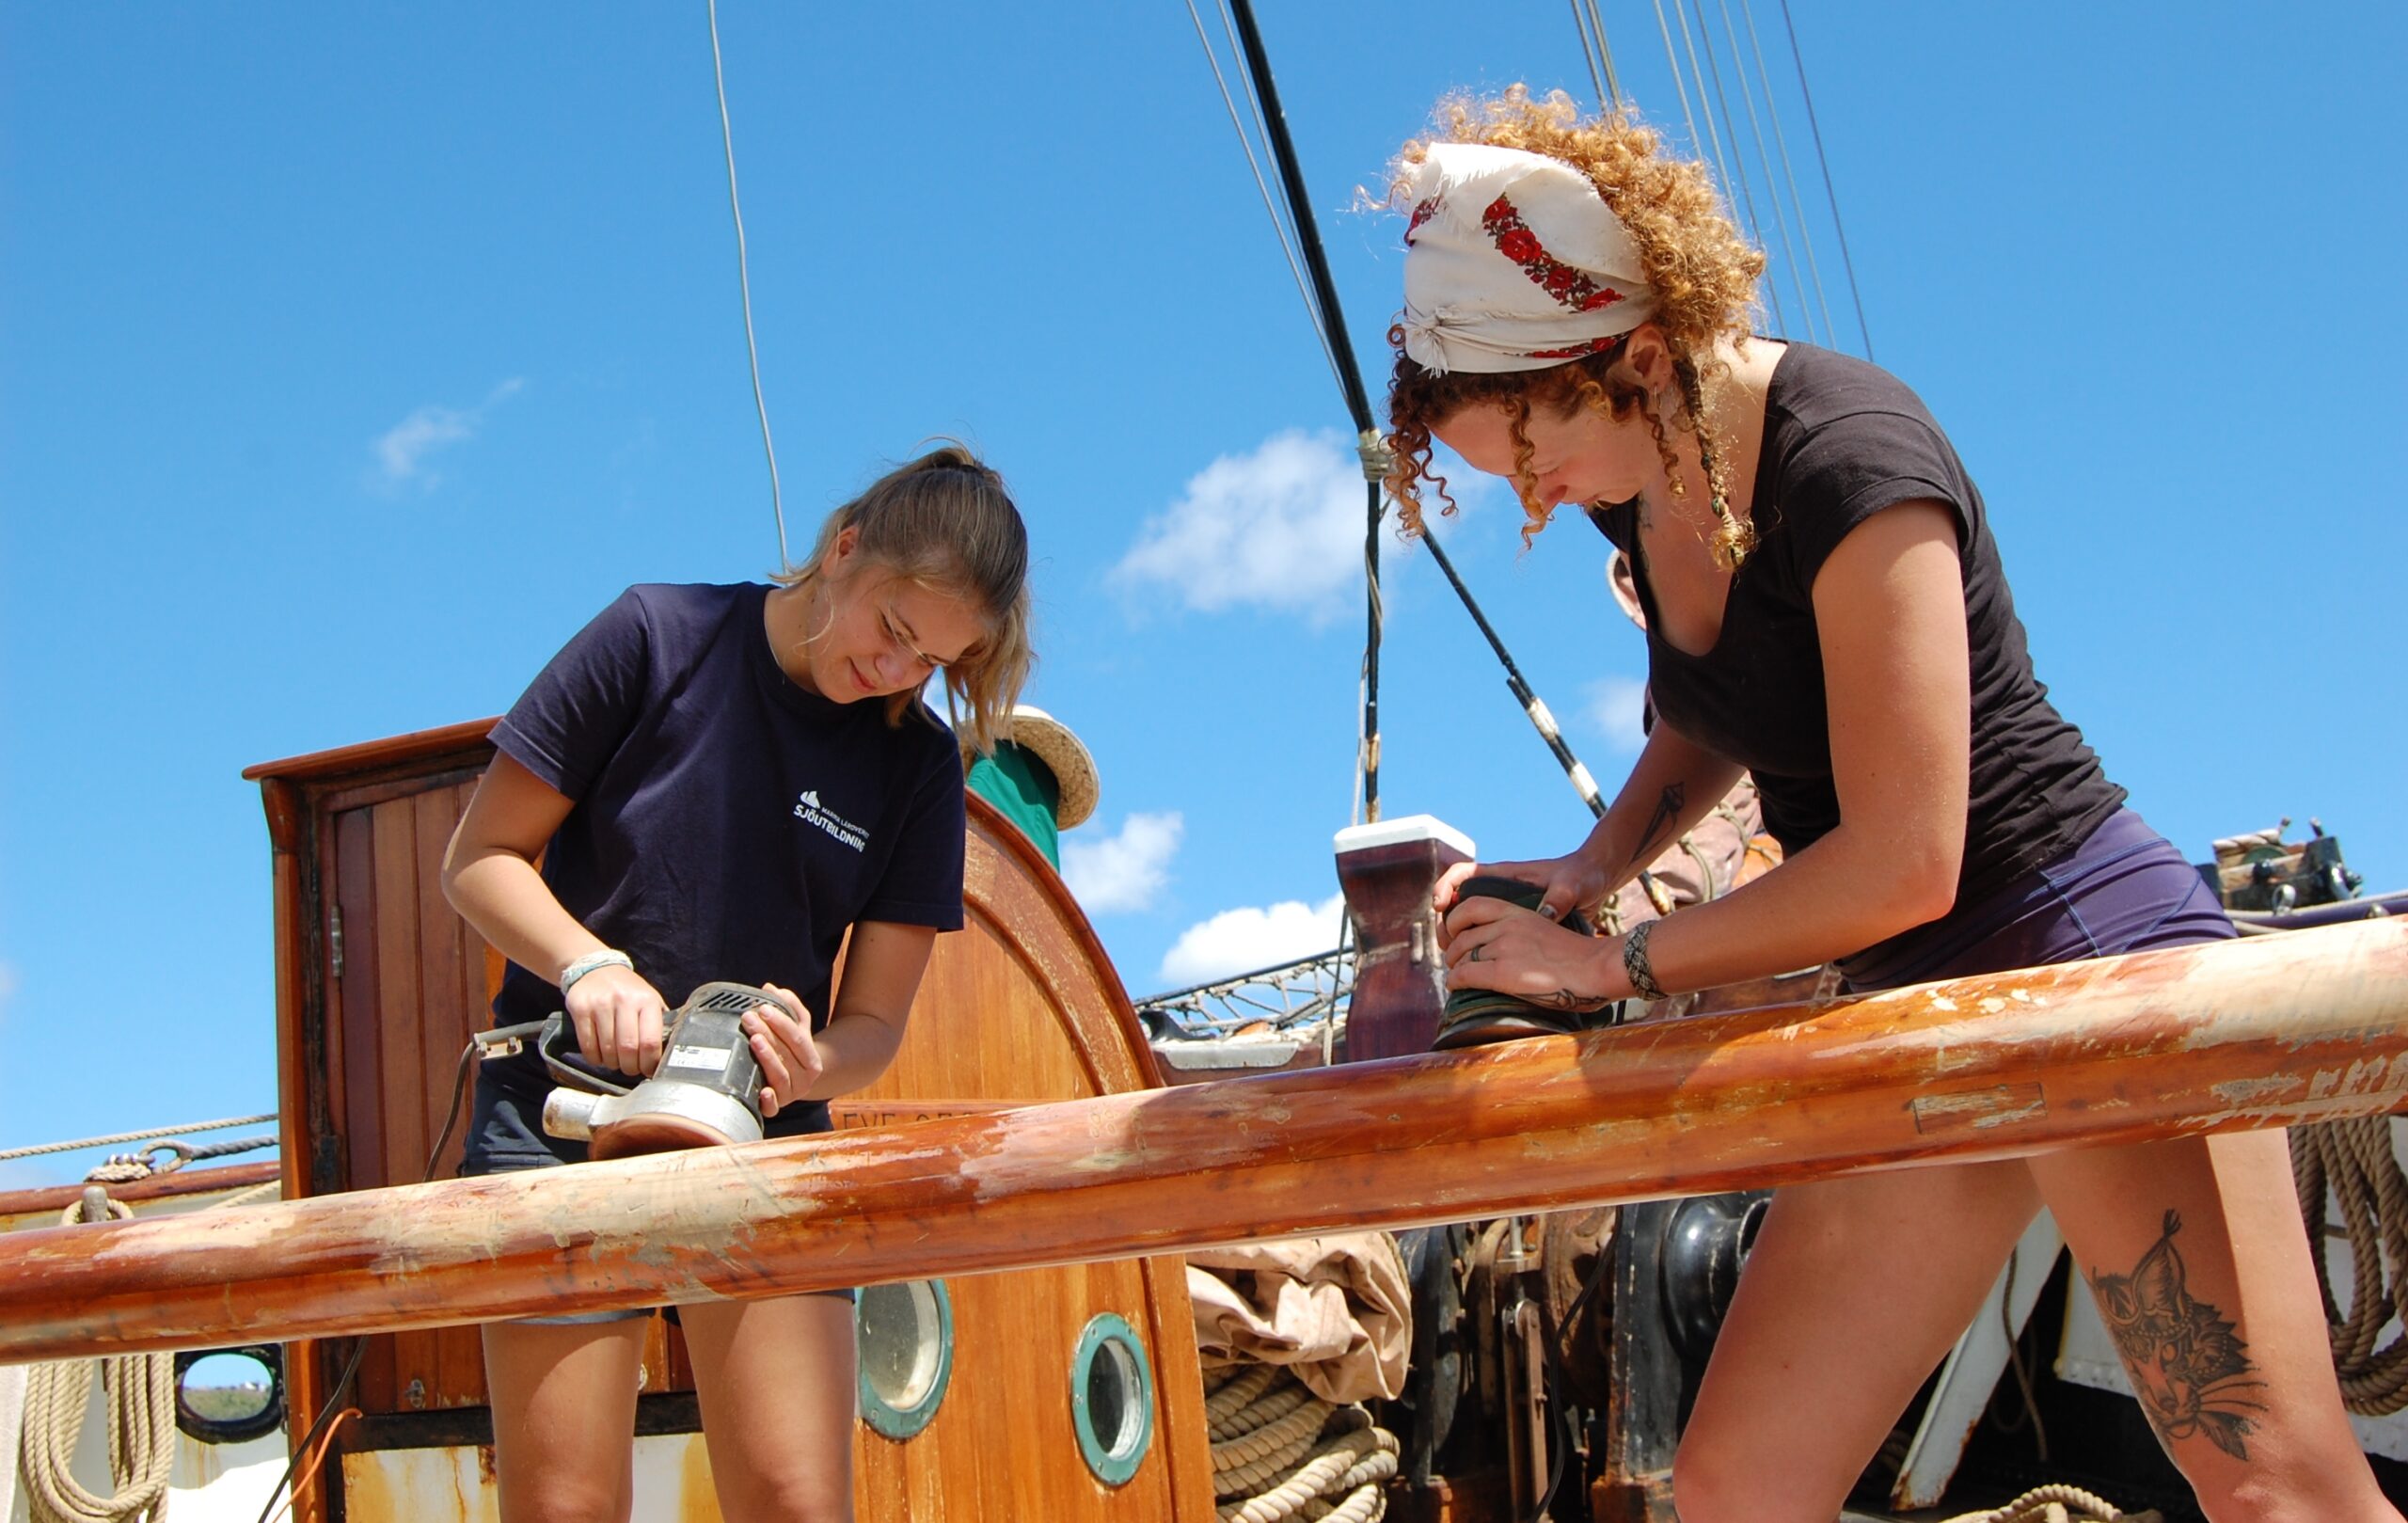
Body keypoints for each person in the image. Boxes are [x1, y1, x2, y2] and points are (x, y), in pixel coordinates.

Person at [1382, 88, 2396, 1523]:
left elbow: (1908, 857)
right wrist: (1591, 866)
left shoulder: (1850, 458)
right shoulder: (1647, 477)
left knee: (2278, 1486)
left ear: (1643, 358)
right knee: (1740, 1482)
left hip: (2084, 961)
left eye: (1536, 459)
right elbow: (1707, 705)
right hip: (1919, 1003)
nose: (1540, 500)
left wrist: (1610, 963)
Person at [440, 444, 1030, 1523]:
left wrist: (818, 1060)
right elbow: (476, 860)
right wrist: (588, 964)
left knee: (796, 1500)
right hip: (558, 1108)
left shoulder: (916, 768)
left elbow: (872, 1024)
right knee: (563, 1505)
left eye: (932, 661)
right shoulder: (655, 636)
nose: (897, 673)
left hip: (762, 1126)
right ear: (844, 546)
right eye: (893, 629)